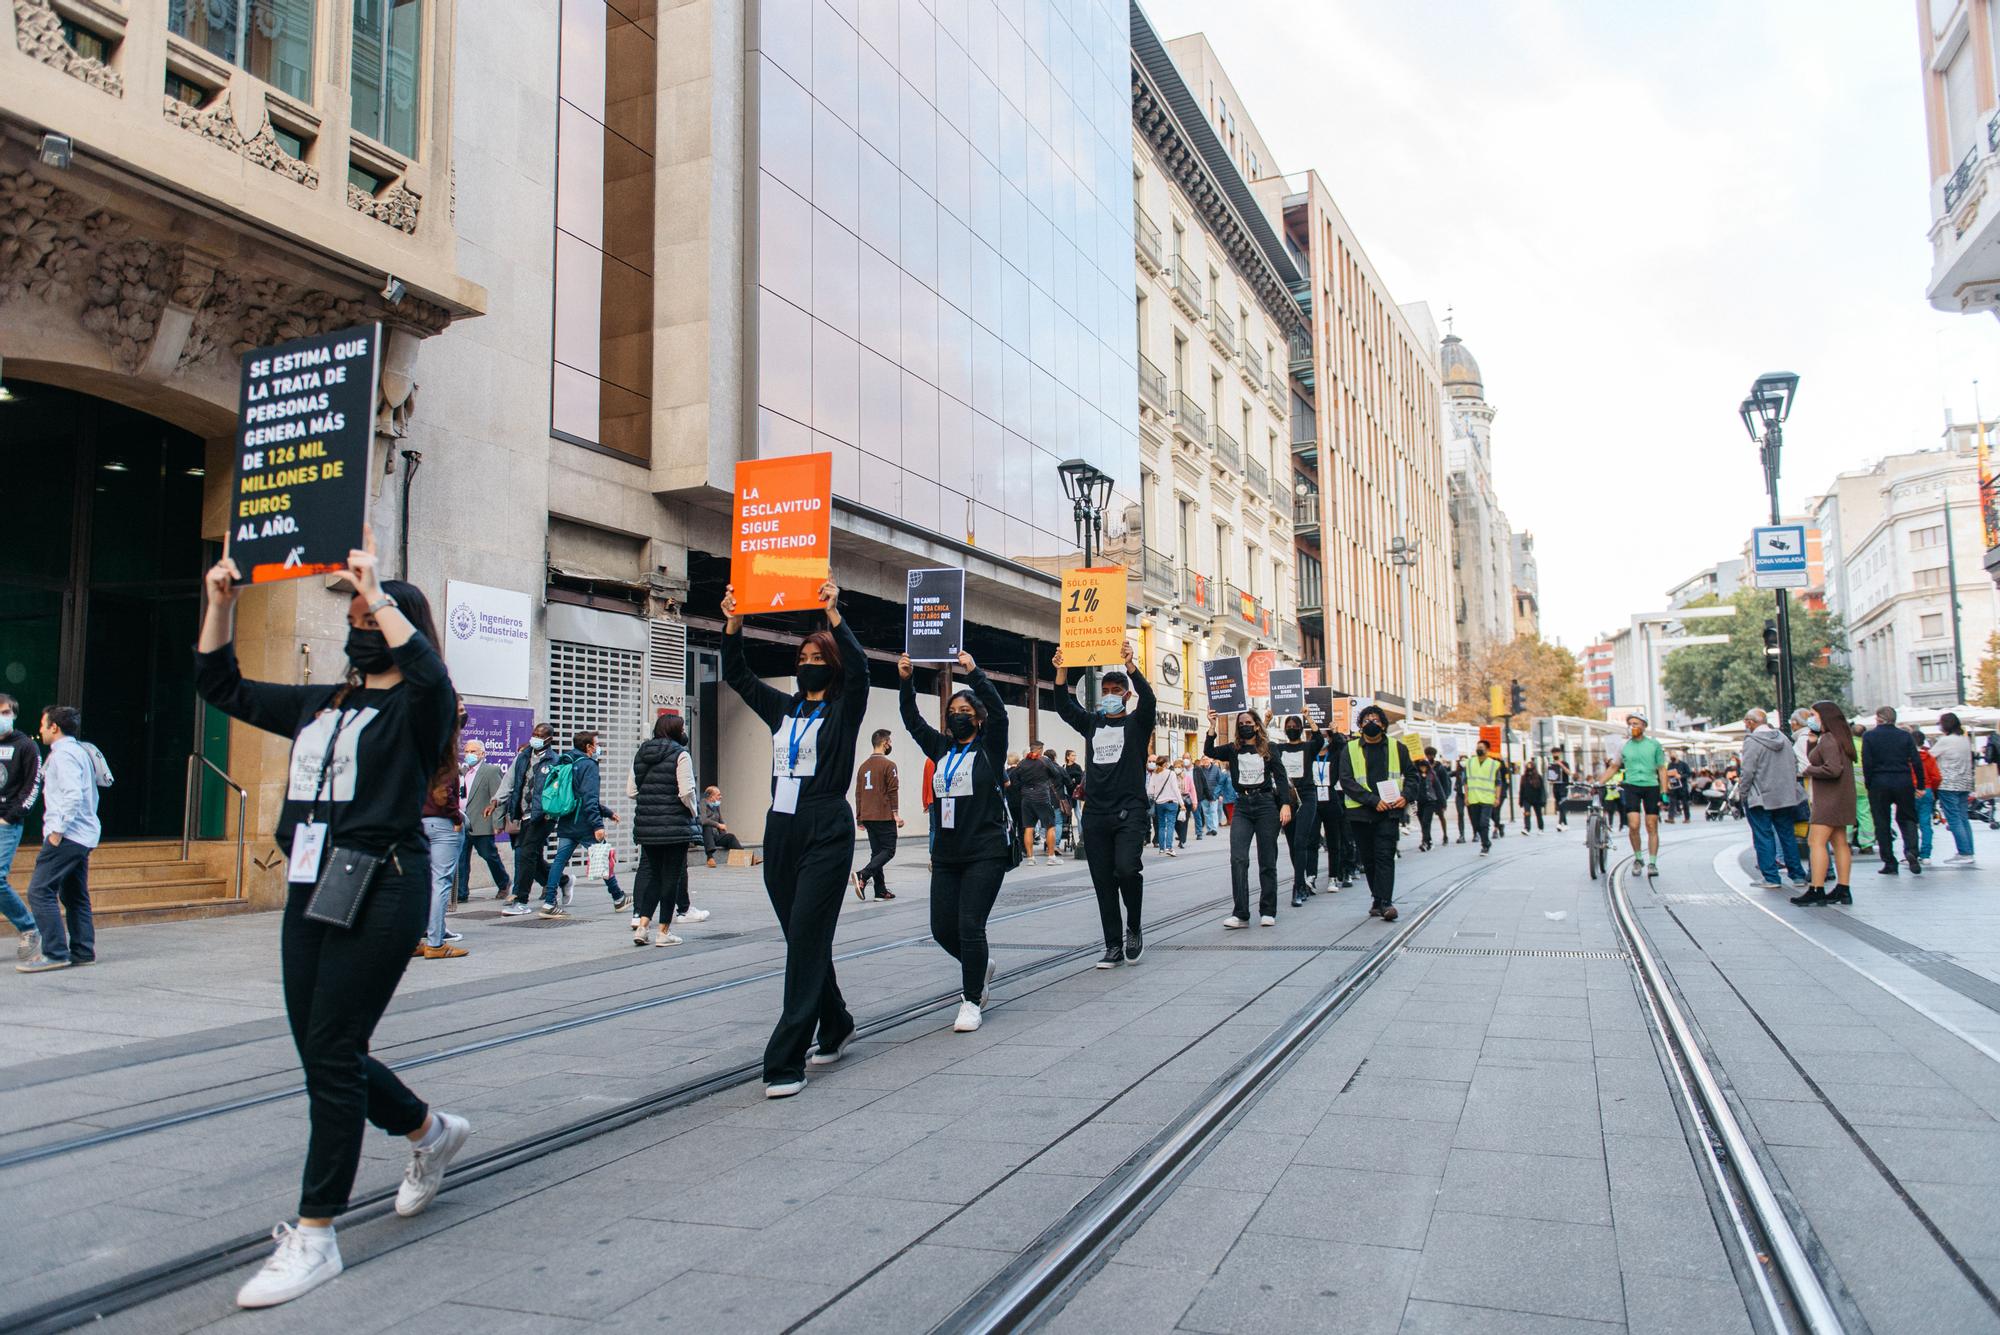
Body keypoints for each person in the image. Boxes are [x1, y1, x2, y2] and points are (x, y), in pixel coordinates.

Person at [194, 536, 468, 1309]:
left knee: (332, 1047)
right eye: (350, 611)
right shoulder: (324, 703)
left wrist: (378, 590)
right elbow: (222, 685)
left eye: (368, 613)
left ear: (393, 622)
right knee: (324, 1048)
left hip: (384, 882)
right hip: (314, 884)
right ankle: (427, 1130)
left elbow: (432, 677)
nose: (357, 622)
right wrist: (222, 603)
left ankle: (316, 1232)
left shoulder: (417, 705)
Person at [721, 578, 868, 1099]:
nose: (807, 661)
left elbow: (863, 669)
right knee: (800, 936)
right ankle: (836, 1021)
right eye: (801, 654)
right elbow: (736, 674)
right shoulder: (784, 710)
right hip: (780, 826)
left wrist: (834, 615)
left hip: (827, 824)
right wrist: (734, 624)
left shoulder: (845, 708)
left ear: (830, 662)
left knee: (806, 935)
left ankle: (785, 1057)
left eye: (815, 654)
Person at [899, 650, 1011, 1032]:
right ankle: (979, 965)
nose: (957, 716)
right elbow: (913, 723)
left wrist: (974, 673)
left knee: (969, 924)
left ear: (977, 719)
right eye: (952, 712)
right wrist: (906, 681)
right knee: (941, 929)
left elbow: (1002, 713)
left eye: (964, 711)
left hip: (985, 851)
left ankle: (971, 1001)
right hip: (946, 854)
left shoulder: (989, 749)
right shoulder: (943, 749)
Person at [1051, 641, 1155, 968]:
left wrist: (1131, 667)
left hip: (1130, 811)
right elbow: (1065, 708)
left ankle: (1134, 927)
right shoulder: (1093, 723)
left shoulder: (1137, 724)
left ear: (1125, 695)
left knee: (1126, 868)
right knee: (1102, 881)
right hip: (1096, 814)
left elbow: (1149, 700)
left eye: (1115, 690)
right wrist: (1061, 671)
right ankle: (1113, 945)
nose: (1109, 694)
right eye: (1105, 689)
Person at [15, 704, 103, 974]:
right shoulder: (80, 751)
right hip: (84, 834)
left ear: (54, 727)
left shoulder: (64, 755)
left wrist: (57, 831)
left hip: (68, 835)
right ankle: (82, 950)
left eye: (43, 725)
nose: (40, 730)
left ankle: (54, 953)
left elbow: (73, 795)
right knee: (75, 894)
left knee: (40, 890)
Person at [1207, 711, 1296, 925]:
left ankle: (1268, 910)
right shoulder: (1232, 749)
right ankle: (1241, 913)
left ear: (1256, 725)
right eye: (1241, 723)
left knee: (1267, 859)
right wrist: (1212, 726)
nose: (1245, 726)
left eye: (1249, 722)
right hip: (1243, 806)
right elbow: (1209, 751)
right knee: (1238, 858)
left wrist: (1285, 804)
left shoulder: (1269, 748)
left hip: (1266, 805)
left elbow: (1281, 777)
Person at [631, 712, 701, 946]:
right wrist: (693, 812)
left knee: (654, 876)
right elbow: (686, 792)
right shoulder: (681, 754)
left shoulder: (642, 752)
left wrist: (652, 800)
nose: (684, 732)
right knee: (671, 877)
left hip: (647, 826)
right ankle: (663, 932)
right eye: (681, 729)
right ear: (675, 731)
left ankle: (642, 926)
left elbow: (631, 791)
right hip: (674, 827)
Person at [1338, 705, 1407, 919]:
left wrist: (1407, 795)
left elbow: (1412, 776)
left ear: (1384, 725)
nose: (1371, 723)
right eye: (1367, 719)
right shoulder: (1349, 749)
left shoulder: (1398, 747)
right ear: (1359, 726)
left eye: (1376, 720)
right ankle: (1377, 898)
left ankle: (1386, 902)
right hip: (1360, 813)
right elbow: (1347, 780)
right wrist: (1372, 800)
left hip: (1389, 812)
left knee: (1384, 855)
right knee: (1368, 858)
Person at [538, 731, 617, 916]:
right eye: (596, 744)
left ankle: (549, 902)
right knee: (602, 859)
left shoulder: (564, 760)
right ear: (589, 747)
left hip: (566, 819)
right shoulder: (588, 765)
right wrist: (598, 824)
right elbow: (589, 797)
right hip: (585, 823)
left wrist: (607, 812)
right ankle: (618, 897)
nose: (598, 747)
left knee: (558, 862)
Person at [417, 702, 468, 959]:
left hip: (419, 821)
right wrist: (455, 816)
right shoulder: (444, 750)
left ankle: (416, 939)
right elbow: (445, 791)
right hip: (441, 822)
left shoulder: (419, 746)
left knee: (421, 883)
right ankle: (435, 942)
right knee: (440, 883)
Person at [1793, 702, 1857, 906]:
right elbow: (1823, 760)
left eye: (1813, 714)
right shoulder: (1840, 738)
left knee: (1816, 842)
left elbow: (1832, 769)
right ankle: (1843, 888)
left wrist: (1808, 771)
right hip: (1842, 796)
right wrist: (1813, 742)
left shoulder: (1828, 739)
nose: (1811, 718)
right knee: (1839, 843)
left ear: (1824, 716)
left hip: (1829, 798)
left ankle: (1816, 888)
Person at [1738, 708, 1808, 890]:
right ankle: (1798, 875)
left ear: (1750, 722)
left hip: (1761, 797)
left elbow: (1747, 772)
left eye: (1746, 722)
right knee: (1787, 835)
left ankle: (1771, 877)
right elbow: (1794, 763)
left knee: (1763, 835)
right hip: (1784, 796)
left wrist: (1743, 793)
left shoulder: (1752, 742)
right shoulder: (1783, 738)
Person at [499, 723, 563, 917]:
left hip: (543, 816)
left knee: (526, 853)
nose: (535, 737)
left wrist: (549, 812)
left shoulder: (555, 761)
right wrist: (496, 800)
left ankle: (521, 898)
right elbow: (510, 781)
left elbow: (557, 790)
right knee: (530, 855)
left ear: (549, 739)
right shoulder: (524, 756)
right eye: (534, 734)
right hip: (524, 814)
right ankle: (564, 881)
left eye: (539, 735)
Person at [0, 694, 42, 959]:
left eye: (5, 712)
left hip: (7, 823)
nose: (1, 717)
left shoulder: (26, 746)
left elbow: (32, 786)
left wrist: (11, 816)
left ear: (14, 714)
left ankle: (28, 928)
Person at [1860, 705, 1924, 877]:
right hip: (1903, 781)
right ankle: (1911, 850)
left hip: (1879, 782)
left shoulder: (1869, 736)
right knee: (1907, 817)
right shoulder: (1905, 736)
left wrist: (1869, 782)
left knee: (1882, 822)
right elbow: (1916, 761)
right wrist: (1920, 785)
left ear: (1879, 718)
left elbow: (1867, 762)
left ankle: (1889, 861)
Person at [1602, 712, 1667, 877]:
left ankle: (1652, 862)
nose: (1633, 727)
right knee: (1633, 825)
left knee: (1652, 825)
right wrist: (1599, 782)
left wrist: (1664, 791)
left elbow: (1661, 768)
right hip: (1631, 786)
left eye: (1636, 723)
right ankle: (1638, 858)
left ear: (1644, 726)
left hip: (1651, 786)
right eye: (1630, 723)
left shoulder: (1654, 745)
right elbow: (1614, 766)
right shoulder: (1623, 746)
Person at [456, 739, 512, 903]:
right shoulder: (463, 771)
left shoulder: (490, 771)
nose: (469, 755)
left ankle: (503, 882)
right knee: (461, 858)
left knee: (489, 855)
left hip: (482, 821)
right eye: (466, 751)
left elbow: (498, 798)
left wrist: (497, 823)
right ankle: (461, 892)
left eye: (473, 752)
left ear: (482, 754)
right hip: (463, 822)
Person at [1273, 717, 1323, 901]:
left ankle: (1298, 887)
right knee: (1293, 843)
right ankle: (1301, 882)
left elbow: (1319, 739)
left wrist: (1309, 717)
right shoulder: (1279, 749)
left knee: (1301, 841)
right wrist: (1267, 719)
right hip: (1287, 799)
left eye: (1295, 726)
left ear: (1301, 728)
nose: (1292, 728)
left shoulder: (1308, 747)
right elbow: (1261, 746)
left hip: (1307, 796)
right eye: (1289, 726)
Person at [852, 729, 901, 901]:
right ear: (884, 742)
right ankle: (863, 875)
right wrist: (895, 814)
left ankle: (880, 890)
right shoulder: (889, 765)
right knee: (888, 850)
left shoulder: (863, 766)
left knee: (877, 853)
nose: (890, 745)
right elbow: (893, 791)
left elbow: (858, 793)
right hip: (883, 814)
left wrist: (859, 817)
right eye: (890, 742)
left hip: (867, 815)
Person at [1930, 712, 1978, 866]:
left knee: (1954, 819)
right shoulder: (1964, 740)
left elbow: (1930, 756)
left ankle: (1964, 852)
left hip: (1948, 783)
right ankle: (1968, 850)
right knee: (1963, 818)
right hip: (1964, 782)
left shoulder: (1945, 740)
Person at [1013, 741, 1065, 865]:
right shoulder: (1044, 761)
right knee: (1050, 826)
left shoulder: (1022, 763)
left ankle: (1031, 859)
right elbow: (1056, 774)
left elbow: (1014, 780)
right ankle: (1051, 857)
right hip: (1042, 797)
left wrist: (1023, 788)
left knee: (1028, 827)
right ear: (1040, 749)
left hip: (1026, 798)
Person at [1311, 735, 1350, 891]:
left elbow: (1342, 746)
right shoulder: (1310, 754)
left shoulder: (1335, 755)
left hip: (1331, 798)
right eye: (1322, 737)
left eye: (1327, 737)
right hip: (1313, 800)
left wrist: (1334, 732)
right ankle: (1311, 877)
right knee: (1312, 840)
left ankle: (1333, 877)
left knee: (1334, 840)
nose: (1324, 740)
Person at [1464, 740, 1501, 855]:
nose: (1479, 749)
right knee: (1476, 824)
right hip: (1473, 798)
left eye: (1481, 747)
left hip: (1487, 799)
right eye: (1477, 747)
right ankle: (1485, 840)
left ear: (1487, 750)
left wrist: (1497, 797)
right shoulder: (1469, 763)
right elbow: (1465, 781)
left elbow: (1498, 783)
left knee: (1484, 823)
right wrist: (1466, 796)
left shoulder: (1494, 764)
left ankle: (1485, 845)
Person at [699, 787, 748, 866]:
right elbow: (703, 820)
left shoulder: (716, 806)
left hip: (715, 836)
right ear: (711, 797)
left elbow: (721, 821)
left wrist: (724, 833)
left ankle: (745, 857)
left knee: (730, 837)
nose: (721, 797)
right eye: (718, 795)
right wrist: (718, 825)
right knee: (707, 827)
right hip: (705, 837)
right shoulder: (703, 803)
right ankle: (710, 858)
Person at [1912, 729, 1939, 864]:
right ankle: (1926, 854)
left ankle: (1912, 852)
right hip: (1927, 791)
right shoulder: (1929, 757)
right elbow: (1937, 777)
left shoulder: (1907, 758)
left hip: (1911, 791)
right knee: (1925, 824)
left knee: (1910, 824)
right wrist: (1931, 789)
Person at [1147, 754, 1181, 855]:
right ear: (1166, 763)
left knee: (1161, 826)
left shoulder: (1154, 774)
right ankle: (1169, 848)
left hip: (1159, 804)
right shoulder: (1171, 773)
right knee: (1170, 825)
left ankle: (1161, 848)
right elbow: (1176, 789)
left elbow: (1149, 791)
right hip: (1171, 802)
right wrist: (1182, 803)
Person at [1191, 754, 1219, 840]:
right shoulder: (1200, 770)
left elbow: (1219, 781)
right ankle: (1209, 828)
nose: (1205, 761)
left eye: (1207, 759)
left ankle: (1214, 828)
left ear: (1210, 760)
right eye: (1203, 760)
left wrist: (1218, 793)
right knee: (1206, 812)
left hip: (1213, 793)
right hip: (1203, 794)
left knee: (1213, 811)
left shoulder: (1216, 769)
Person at [1519, 759, 1546, 833]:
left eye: (1530, 768)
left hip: (1536, 799)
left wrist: (1543, 800)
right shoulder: (1524, 777)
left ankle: (1541, 828)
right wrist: (1521, 801)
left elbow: (1542, 789)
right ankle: (1527, 828)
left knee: (1538, 814)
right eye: (1528, 768)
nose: (1529, 771)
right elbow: (1521, 789)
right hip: (1526, 799)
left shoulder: (1538, 777)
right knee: (1527, 813)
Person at [1451, 757, 1470, 844]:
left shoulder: (1471, 771)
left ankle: (1476, 833)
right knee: (1460, 814)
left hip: (1470, 795)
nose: (1463, 762)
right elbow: (1447, 774)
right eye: (1462, 760)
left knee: (1473, 815)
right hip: (1460, 795)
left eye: (1465, 760)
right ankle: (1461, 835)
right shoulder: (1458, 772)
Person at [1549, 756, 1571, 828]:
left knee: (1562, 804)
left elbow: (1569, 773)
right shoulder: (1552, 765)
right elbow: (1551, 778)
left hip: (1564, 787)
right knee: (1559, 806)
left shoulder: (1565, 763)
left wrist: (1561, 765)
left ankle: (1560, 823)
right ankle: (1565, 824)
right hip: (1556, 787)